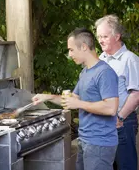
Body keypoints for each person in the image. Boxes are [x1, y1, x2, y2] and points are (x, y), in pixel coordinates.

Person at [32, 28, 119, 170]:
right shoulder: (85, 72)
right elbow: (71, 99)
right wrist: (47, 97)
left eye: (71, 50)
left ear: (84, 47)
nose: (69, 54)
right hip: (85, 140)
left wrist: (78, 103)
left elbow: (111, 108)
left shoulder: (104, 72)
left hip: (99, 143)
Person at [95, 14, 139, 170]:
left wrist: (119, 117)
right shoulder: (100, 60)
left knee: (125, 166)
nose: (100, 40)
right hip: (101, 124)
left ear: (117, 36)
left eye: (104, 36)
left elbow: (136, 95)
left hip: (122, 123)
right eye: (98, 36)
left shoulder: (130, 59)